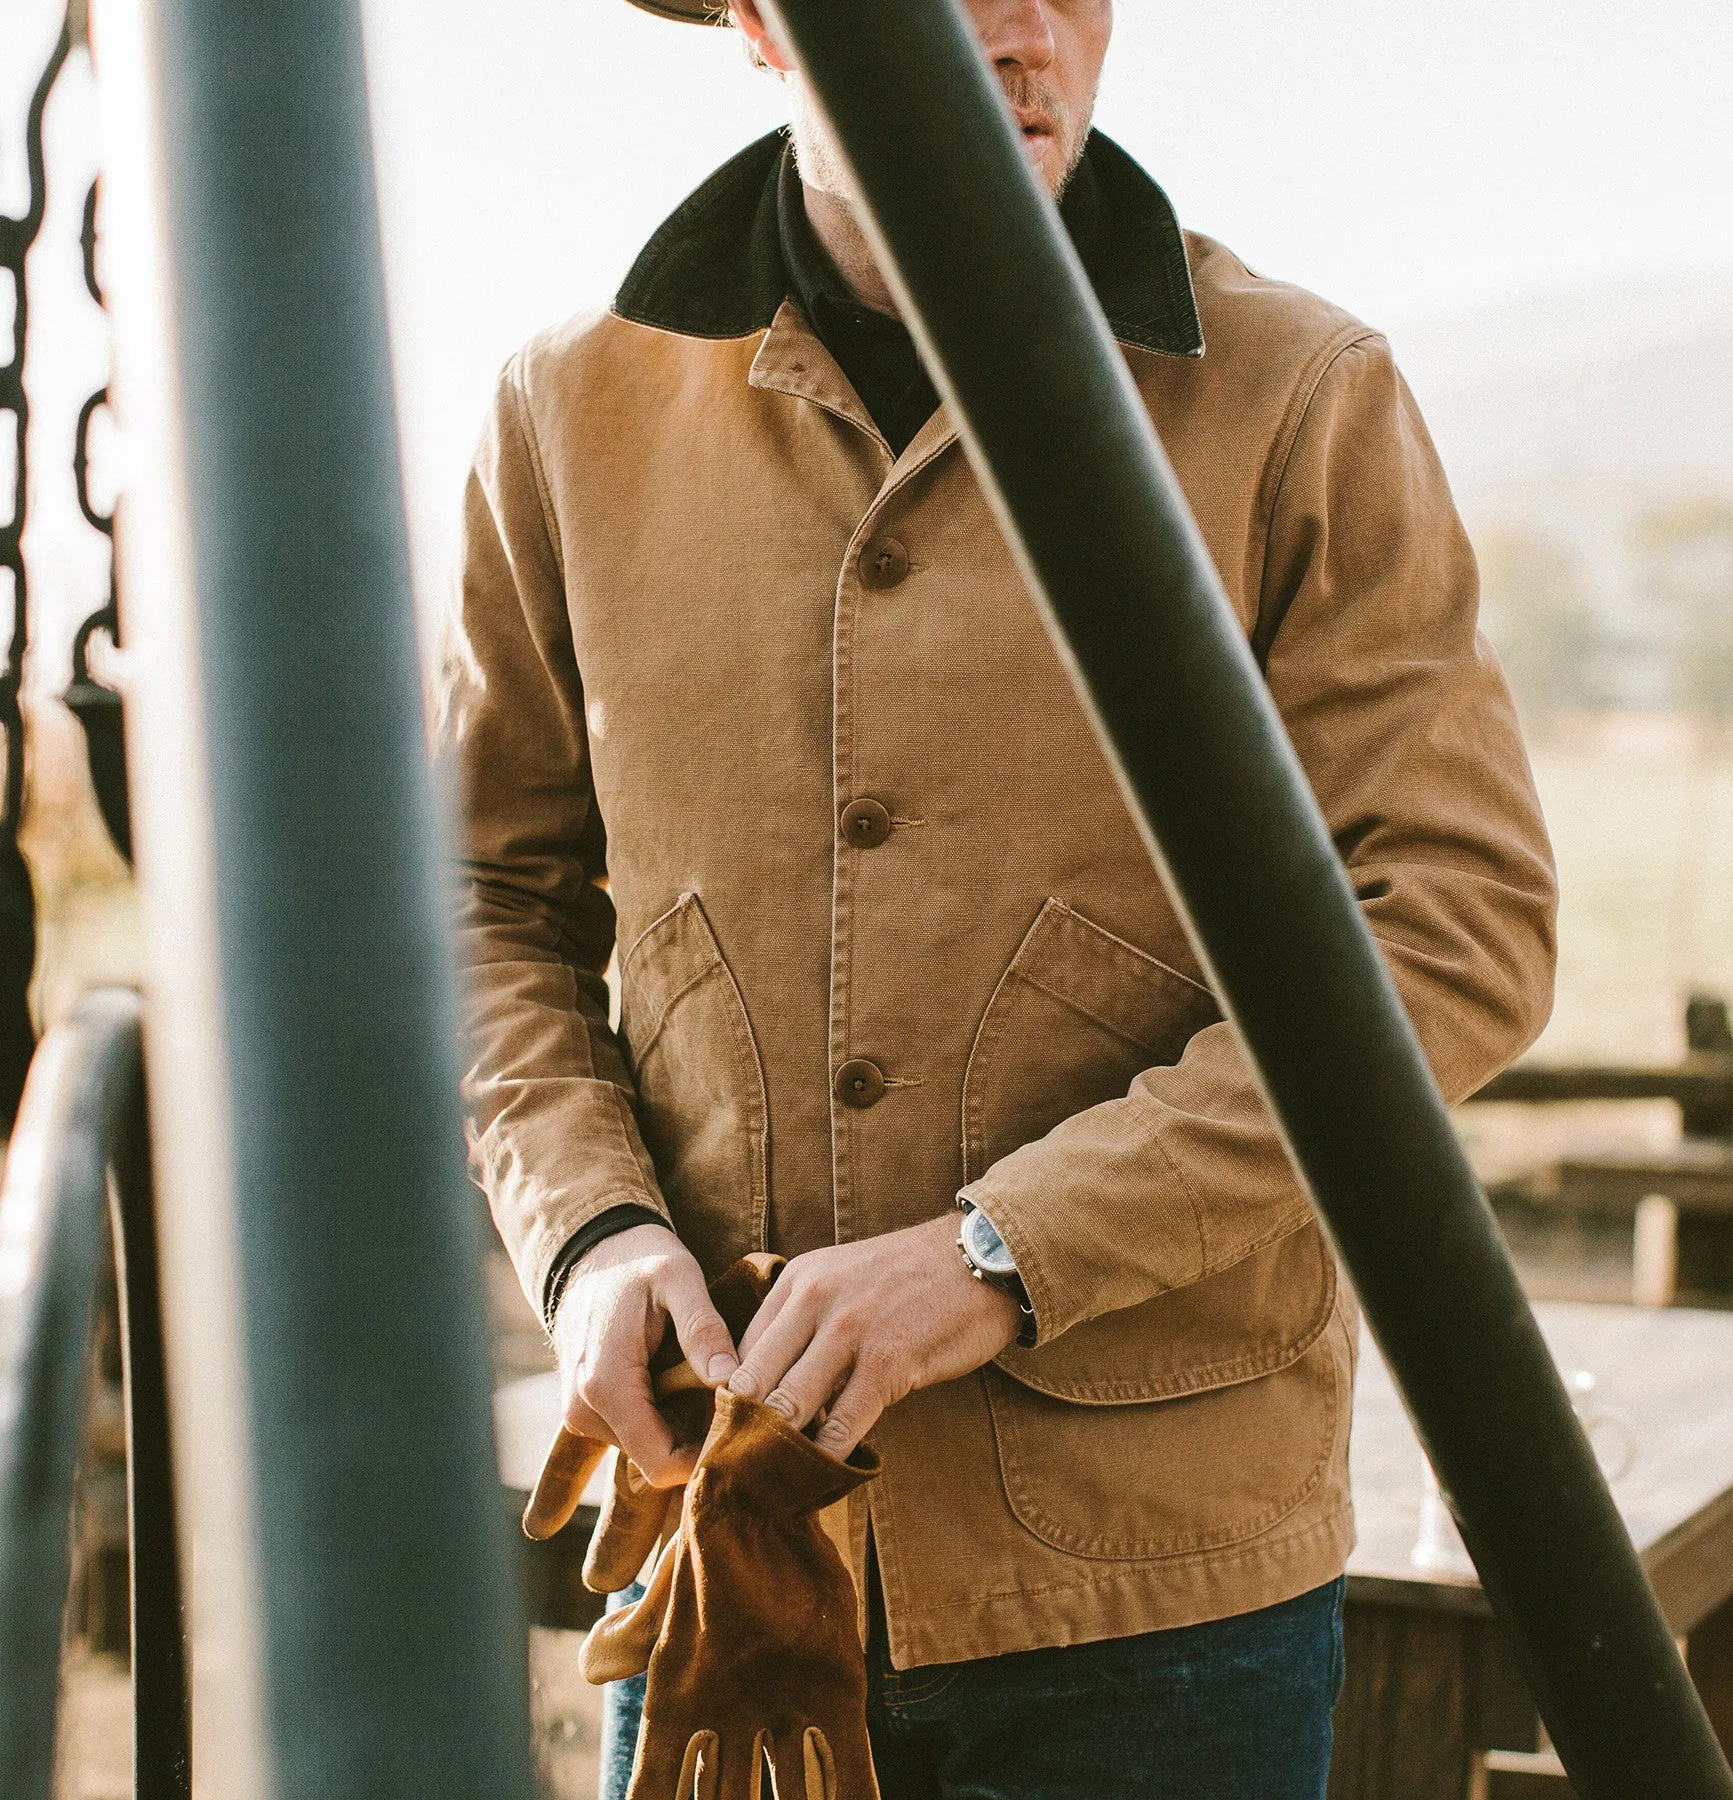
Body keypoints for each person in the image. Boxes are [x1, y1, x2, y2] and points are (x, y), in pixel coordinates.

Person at [441, 1, 1558, 1794]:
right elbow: (486, 902)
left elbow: (1457, 936)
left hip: (1155, 1594)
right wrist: (588, 1234)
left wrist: (1004, 1257)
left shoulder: (1299, 398)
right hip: (731, 1539)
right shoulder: (564, 411)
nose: (1026, 31)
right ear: (759, 21)